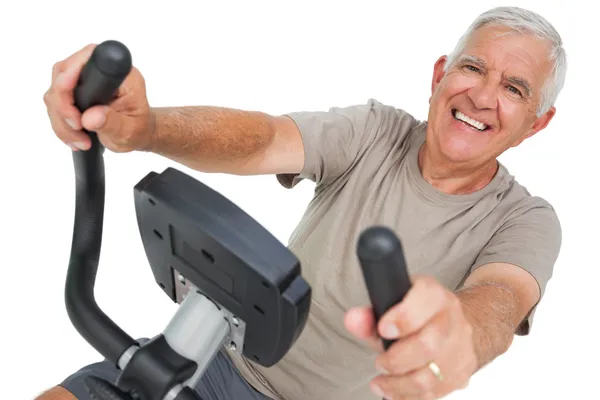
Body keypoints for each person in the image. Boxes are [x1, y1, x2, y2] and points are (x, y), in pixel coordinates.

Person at [38, 5, 566, 400]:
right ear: (439, 76)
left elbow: (500, 298)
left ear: (535, 124)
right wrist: (147, 128)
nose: (481, 96)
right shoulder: (376, 133)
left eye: (514, 89)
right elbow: (263, 139)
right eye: (473, 68)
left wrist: (461, 331)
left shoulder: (526, 220)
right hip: (214, 360)